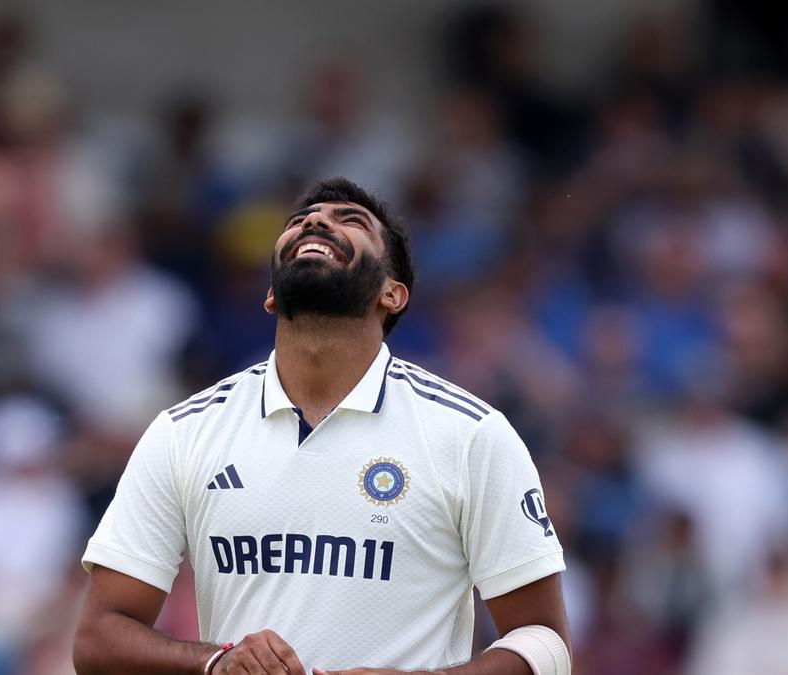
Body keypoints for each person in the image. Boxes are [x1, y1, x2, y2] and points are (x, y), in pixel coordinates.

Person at [73, 177, 570, 675]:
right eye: (300, 221)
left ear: (393, 294)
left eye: (351, 221)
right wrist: (216, 662)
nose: (315, 221)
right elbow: (99, 638)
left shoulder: (471, 435)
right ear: (271, 294)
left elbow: (546, 644)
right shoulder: (184, 431)